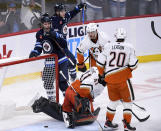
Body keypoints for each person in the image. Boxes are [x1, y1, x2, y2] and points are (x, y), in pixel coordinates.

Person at [31, 67, 104, 129]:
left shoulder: (95, 68)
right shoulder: (97, 80)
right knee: (85, 113)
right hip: (76, 95)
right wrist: (84, 102)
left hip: (70, 90)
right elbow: (87, 91)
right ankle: (70, 119)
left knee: (64, 111)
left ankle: (42, 103)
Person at [96, 28, 138, 130]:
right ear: (125, 37)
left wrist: (102, 75)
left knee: (113, 101)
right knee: (128, 102)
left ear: (115, 36)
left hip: (110, 80)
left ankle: (108, 122)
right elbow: (133, 65)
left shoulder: (108, 46)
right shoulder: (129, 47)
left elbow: (100, 63)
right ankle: (127, 124)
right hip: (123, 80)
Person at [29, 14, 69, 102]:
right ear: (42, 24)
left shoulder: (56, 30)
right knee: (47, 82)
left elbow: (65, 44)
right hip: (50, 61)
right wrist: (35, 52)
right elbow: (39, 46)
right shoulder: (39, 34)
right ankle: (52, 101)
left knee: (62, 82)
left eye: (48, 24)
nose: (47, 26)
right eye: (45, 24)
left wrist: (56, 36)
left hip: (61, 60)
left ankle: (69, 101)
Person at [51, 3, 86, 82]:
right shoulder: (53, 21)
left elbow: (72, 13)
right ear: (57, 12)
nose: (64, 12)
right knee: (71, 61)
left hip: (63, 46)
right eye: (62, 11)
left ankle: (73, 79)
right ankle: (71, 80)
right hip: (57, 48)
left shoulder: (64, 17)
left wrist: (79, 7)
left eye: (64, 11)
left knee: (72, 61)